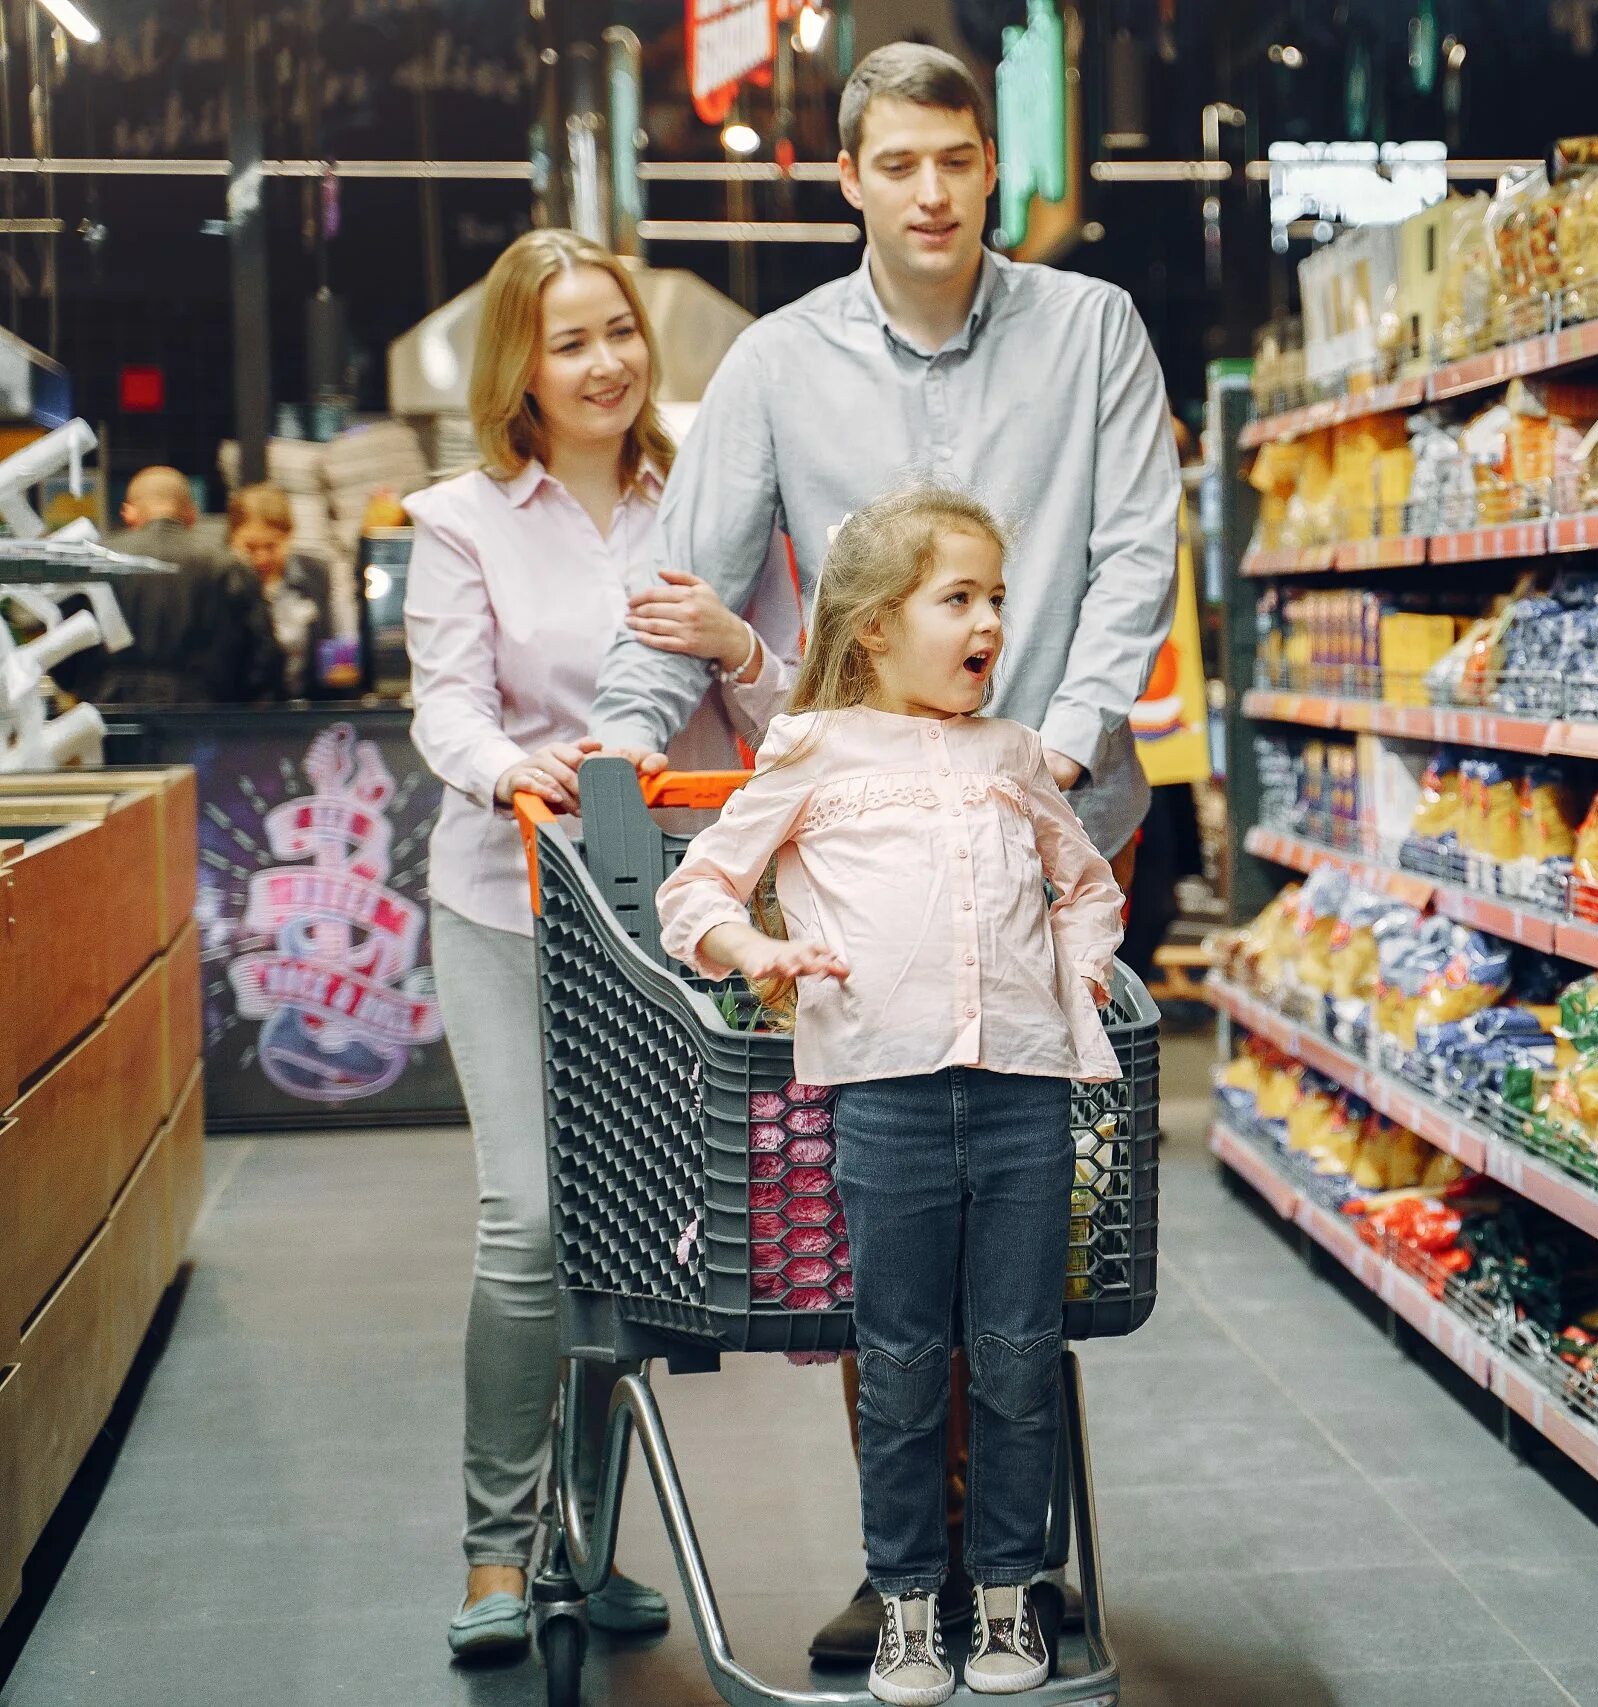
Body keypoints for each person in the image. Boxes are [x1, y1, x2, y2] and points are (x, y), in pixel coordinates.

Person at [583, 39, 1179, 1665]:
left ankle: (1008, 1561)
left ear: (995, 168)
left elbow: (1135, 548)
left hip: (1048, 807)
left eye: (957, 160)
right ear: (848, 178)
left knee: (1034, 1232)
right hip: (859, 858)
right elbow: (685, 586)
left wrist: (1051, 738)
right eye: (897, 163)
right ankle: (913, 1564)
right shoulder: (778, 366)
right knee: (884, 1233)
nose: (931, 191)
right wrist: (616, 747)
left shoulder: (1094, 331)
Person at [657, 486, 1125, 1707]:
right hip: (883, 1097)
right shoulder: (813, 751)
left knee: (1020, 1358)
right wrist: (757, 955)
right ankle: (910, 1607)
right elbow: (697, 889)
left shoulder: (1015, 756)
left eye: (996, 601)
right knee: (907, 1361)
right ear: (873, 626)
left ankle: (1012, 1594)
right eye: (957, 598)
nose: (988, 624)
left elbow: (1085, 887)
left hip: (1026, 1092)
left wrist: (1072, 982)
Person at [403, 226, 797, 1666]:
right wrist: (508, 764)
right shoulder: (461, 519)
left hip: (661, 923)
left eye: (619, 329)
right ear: (520, 360)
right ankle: (496, 1549)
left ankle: (589, 1540)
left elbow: (795, 712)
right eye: (569, 339)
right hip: (511, 903)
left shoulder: (713, 501)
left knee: (626, 1233)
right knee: (530, 1218)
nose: (605, 361)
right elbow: (441, 702)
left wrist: (737, 643)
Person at [77, 466, 283, 704]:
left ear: (129, 513)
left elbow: (66, 654)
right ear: (192, 514)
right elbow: (263, 657)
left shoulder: (95, 563)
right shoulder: (228, 566)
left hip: (110, 715)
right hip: (203, 719)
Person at [225, 482, 322, 697]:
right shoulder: (220, 581)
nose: (261, 557)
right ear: (232, 540)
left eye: (272, 546)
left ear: (290, 536)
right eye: (250, 548)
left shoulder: (315, 574)